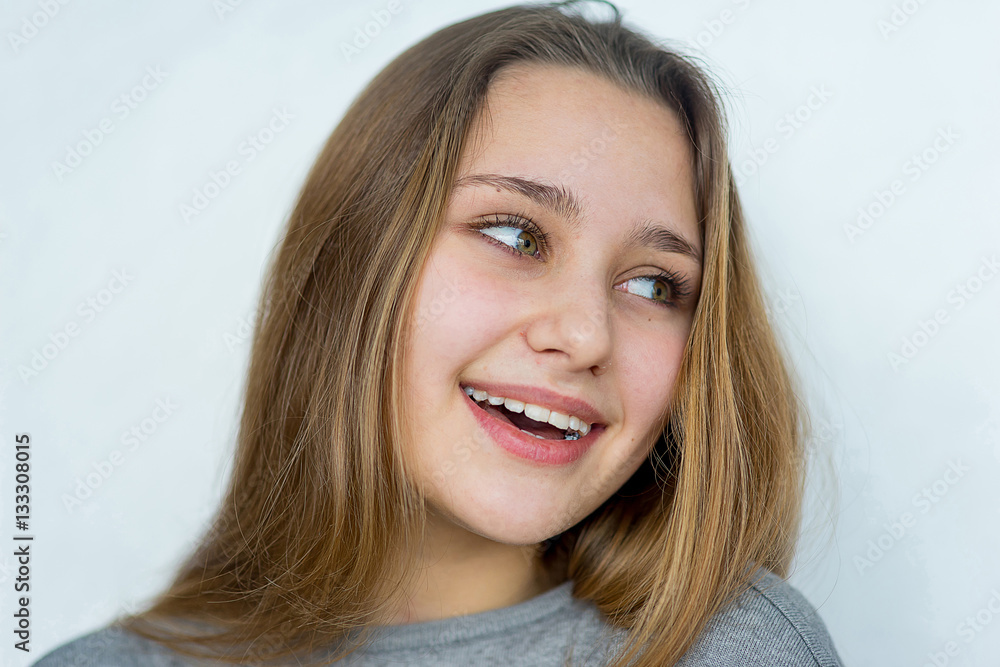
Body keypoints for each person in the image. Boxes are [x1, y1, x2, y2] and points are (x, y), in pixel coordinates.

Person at [34, 1, 844, 665]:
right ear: (356, 263)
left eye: (652, 284)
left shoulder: (734, 649)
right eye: (517, 235)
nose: (586, 333)